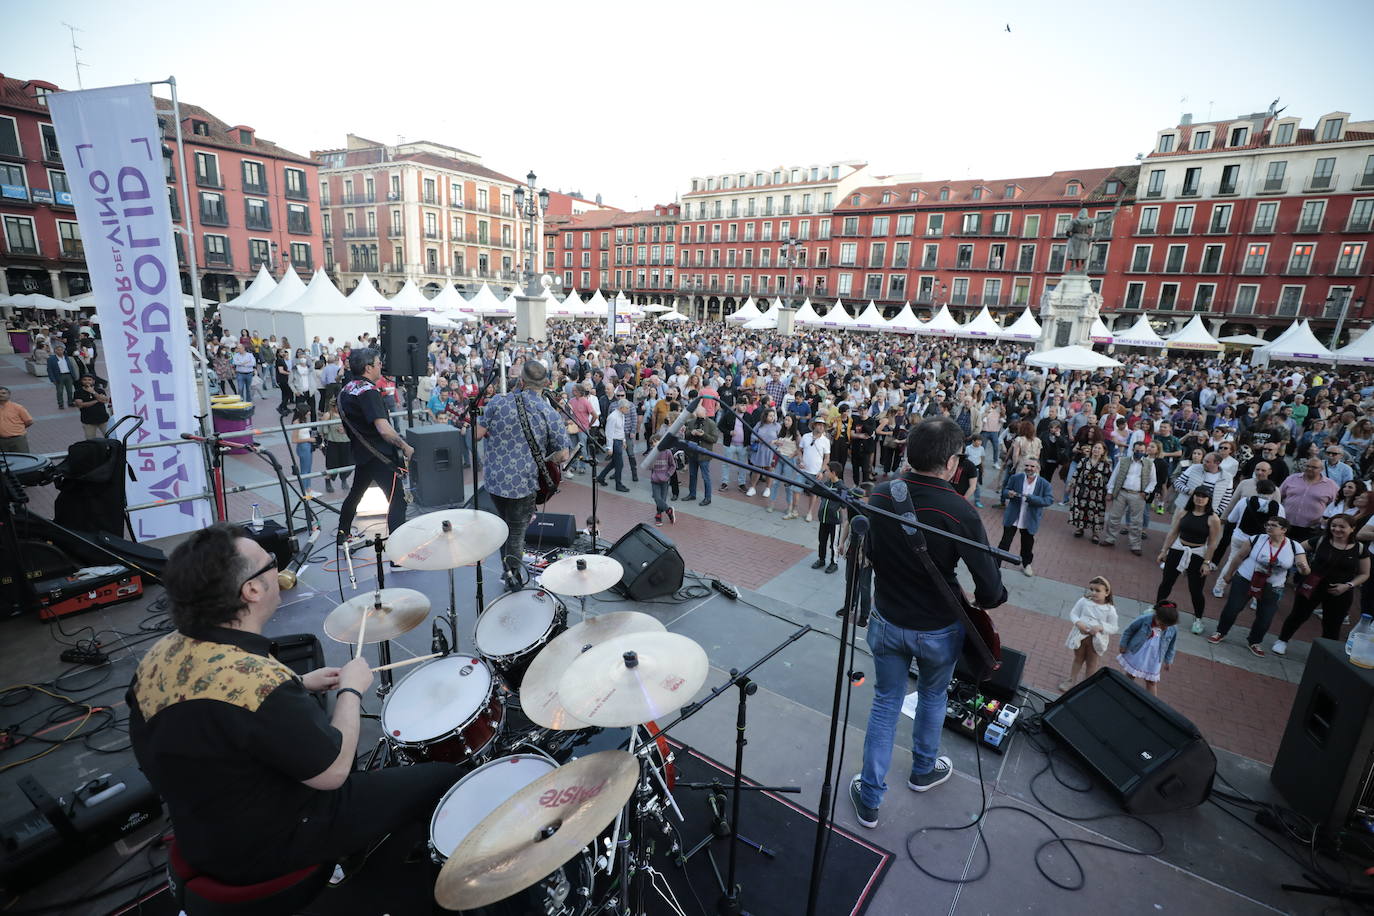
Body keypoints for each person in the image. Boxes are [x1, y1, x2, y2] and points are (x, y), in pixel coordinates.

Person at [126, 524, 456, 885]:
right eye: (270, 562)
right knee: (444, 778)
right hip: (265, 843)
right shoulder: (258, 683)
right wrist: (351, 690)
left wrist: (299, 683)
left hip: (202, 830)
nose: (277, 567)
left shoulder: (162, 654)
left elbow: (215, 707)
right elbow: (333, 772)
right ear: (251, 589)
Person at [851, 417, 1007, 829]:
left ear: (908, 451)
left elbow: (867, 548)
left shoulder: (881, 494)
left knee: (885, 702)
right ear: (953, 462)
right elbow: (990, 587)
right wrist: (984, 599)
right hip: (938, 628)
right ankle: (923, 770)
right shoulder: (958, 509)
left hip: (887, 618)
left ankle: (870, 797)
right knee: (933, 697)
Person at [475, 360, 571, 584]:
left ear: (521, 381)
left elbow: (477, 434)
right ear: (546, 383)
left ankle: (507, 570)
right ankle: (512, 577)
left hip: (495, 480)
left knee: (503, 526)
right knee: (516, 532)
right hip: (523, 483)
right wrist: (545, 458)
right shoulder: (548, 411)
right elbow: (563, 455)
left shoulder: (498, 401)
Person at [335, 349, 415, 547]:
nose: (381, 366)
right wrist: (404, 445)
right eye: (379, 363)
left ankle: (342, 535)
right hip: (379, 455)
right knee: (398, 500)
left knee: (355, 494)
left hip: (362, 453)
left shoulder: (346, 389)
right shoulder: (368, 392)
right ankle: (398, 553)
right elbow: (384, 429)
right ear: (368, 367)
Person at [1213, 516, 1311, 656]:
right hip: (1246, 579)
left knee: (1265, 617)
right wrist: (1229, 574)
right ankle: (1220, 632)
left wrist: (1303, 568)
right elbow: (1239, 557)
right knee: (1232, 608)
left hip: (1273, 586)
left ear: (1283, 530)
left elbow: (1305, 570)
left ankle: (1254, 641)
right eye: (1268, 524)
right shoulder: (1256, 539)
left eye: (1273, 525)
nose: (1269, 527)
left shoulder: (1295, 546)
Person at [1272, 513, 1370, 654]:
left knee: (1332, 625)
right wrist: (1303, 565)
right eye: (1333, 525)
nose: (1337, 529)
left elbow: (1364, 574)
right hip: (1312, 585)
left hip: (1340, 591)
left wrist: (1348, 585)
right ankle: (1282, 640)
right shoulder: (1320, 540)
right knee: (1298, 615)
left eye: (1342, 526)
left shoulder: (1360, 548)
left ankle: (1324, 653)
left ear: (1352, 528)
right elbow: (1296, 549)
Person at [1156, 486, 1223, 634]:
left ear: (1209, 499)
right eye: (1197, 495)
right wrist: (1164, 550)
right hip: (1178, 549)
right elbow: (1173, 533)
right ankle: (1157, 609)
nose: (1200, 498)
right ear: (1192, 497)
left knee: (1196, 589)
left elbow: (1212, 543)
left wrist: (1207, 563)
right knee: (1166, 582)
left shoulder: (1213, 519)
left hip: (1198, 553)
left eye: (1203, 496)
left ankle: (1198, 619)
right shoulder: (1184, 512)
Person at [1059, 576, 1119, 691]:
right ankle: (1071, 680)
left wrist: (1101, 627)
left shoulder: (1110, 609)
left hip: (1096, 641)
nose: (1093, 592)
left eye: (1097, 590)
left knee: (1092, 663)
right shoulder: (1083, 601)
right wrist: (1078, 622)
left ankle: (1087, 685)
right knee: (1078, 658)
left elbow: (1114, 627)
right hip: (1080, 636)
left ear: (1107, 592)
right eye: (1091, 589)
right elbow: (1074, 613)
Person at [998, 456, 1054, 577]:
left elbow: (1049, 500)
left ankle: (1027, 564)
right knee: (1005, 542)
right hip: (1013, 515)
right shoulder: (1016, 478)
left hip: (1029, 519)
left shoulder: (1044, 484)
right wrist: (1009, 493)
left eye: (1032, 466)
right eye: (1027, 465)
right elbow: (1005, 490)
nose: (1029, 468)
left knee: (1027, 544)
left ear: (1038, 468)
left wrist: (1031, 498)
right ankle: (995, 563)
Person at [1102, 439, 1156, 555]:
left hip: (1138, 495)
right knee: (1114, 517)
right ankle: (1110, 539)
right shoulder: (1123, 461)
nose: (1139, 452)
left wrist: (1146, 492)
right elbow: (1114, 476)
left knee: (1136, 521)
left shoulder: (1150, 464)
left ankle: (1135, 545)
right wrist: (1110, 491)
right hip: (1121, 492)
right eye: (1137, 450)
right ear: (1133, 450)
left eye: (1142, 451)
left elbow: (1153, 481)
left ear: (1145, 451)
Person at [1116, 601, 1179, 696]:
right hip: (1138, 652)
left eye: (1167, 625)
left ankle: (1153, 703)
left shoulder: (1173, 628)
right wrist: (1123, 644)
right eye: (1163, 624)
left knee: (1151, 682)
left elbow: (1171, 645)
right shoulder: (1144, 619)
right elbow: (1129, 631)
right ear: (1156, 615)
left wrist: (1168, 660)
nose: (1165, 628)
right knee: (1131, 674)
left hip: (1154, 657)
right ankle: (1122, 695)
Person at [1279, 457, 1339, 544]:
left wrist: (1325, 521)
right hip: (1286, 525)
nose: (1309, 469)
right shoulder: (1292, 479)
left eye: (1314, 467)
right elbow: (1279, 496)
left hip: (1311, 529)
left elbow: (1335, 506)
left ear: (1321, 469)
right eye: (1307, 466)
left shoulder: (1331, 485)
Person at [1068, 441, 1111, 541]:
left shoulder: (1106, 464)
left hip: (1097, 492)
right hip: (1082, 489)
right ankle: (1080, 528)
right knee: (1081, 508)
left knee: (1095, 511)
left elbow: (1108, 479)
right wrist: (1071, 485)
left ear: (1103, 451)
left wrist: (1108, 492)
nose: (1096, 450)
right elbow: (1076, 473)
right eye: (1095, 447)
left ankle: (1095, 533)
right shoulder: (1084, 461)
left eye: (1099, 448)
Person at [681, 402, 721, 507]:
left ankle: (708, 498)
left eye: (701, 417)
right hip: (693, 454)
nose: (699, 419)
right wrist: (691, 433)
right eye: (697, 416)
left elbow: (714, 439)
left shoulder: (711, 424)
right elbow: (685, 435)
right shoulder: (691, 422)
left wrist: (703, 435)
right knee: (692, 475)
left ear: (705, 414)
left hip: (704, 455)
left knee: (705, 477)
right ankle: (692, 494)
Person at [595, 399, 632, 492]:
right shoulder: (613, 417)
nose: (628, 410)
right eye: (627, 408)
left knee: (614, 463)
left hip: (619, 441)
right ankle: (618, 484)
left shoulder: (622, 415)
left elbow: (621, 429)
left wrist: (623, 440)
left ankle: (600, 477)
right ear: (621, 407)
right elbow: (609, 433)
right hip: (614, 442)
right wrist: (609, 447)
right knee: (619, 464)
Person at [813, 462, 843, 573]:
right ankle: (821, 559)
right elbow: (815, 490)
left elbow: (844, 504)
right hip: (824, 518)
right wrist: (818, 481)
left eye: (827, 471)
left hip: (834, 521)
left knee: (833, 543)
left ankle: (834, 562)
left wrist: (835, 509)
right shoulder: (827, 483)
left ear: (833, 473)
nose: (825, 473)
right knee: (822, 540)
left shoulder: (841, 486)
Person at [798, 418, 831, 522]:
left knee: (814, 493)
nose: (821, 427)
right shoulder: (805, 436)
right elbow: (799, 450)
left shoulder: (826, 441)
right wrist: (800, 460)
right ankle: (793, 509)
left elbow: (827, 458)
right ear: (814, 425)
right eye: (819, 425)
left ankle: (809, 512)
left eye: (823, 425)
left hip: (816, 472)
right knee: (795, 489)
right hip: (803, 470)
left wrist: (822, 471)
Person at [649, 430, 677, 527]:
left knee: (663, 499)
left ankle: (658, 515)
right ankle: (669, 510)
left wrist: (668, 475)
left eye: (654, 442)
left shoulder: (667, 452)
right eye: (652, 443)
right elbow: (649, 466)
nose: (653, 445)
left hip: (665, 480)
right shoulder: (652, 453)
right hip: (655, 480)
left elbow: (673, 466)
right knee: (657, 498)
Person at [72, 374, 111, 439]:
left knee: (110, 437)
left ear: (93, 381)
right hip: (88, 421)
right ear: (82, 381)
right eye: (85, 380)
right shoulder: (78, 392)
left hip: (103, 419)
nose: (87, 381)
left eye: (89, 380)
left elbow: (105, 400)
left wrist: (93, 392)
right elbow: (80, 405)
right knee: (90, 440)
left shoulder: (99, 390)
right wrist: (97, 400)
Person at [0, 387, 35, 453]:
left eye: (3, 393)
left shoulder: (18, 407)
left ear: (9, 395)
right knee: (4, 461)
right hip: (1, 440)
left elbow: (29, 421)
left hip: (17, 439)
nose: (1, 395)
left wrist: (18, 428)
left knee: (23, 459)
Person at [46, 342, 79, 409]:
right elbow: (49, 370)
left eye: (61, 350)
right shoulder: (51, 359)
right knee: (60, 391)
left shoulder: (67, 357)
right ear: (55, 350)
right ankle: (60, 404)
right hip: (59, 376)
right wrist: (52, 379)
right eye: (58, 350)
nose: (60, 351)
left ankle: (70, 402)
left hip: (68, 375)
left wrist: (74, 375)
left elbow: (71, 367)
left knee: (70, 390)